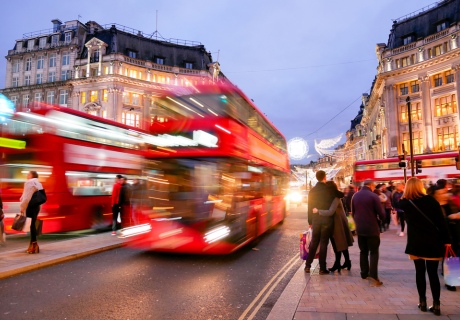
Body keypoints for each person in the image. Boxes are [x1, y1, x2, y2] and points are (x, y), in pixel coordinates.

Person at [399, 178, 451, 316]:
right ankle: (436, 304)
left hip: (416, 243)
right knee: (433, 274)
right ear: (421, 187)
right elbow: (441, 222)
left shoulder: (405, 203)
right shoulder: (431, 201)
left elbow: (397, 202)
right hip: (433, 242)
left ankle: (422, 302)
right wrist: (447, 240)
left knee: (419, 273)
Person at [351, 179, 385, 286]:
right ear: (371, 186)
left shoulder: (355, 196)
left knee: (363, 251)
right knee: (374, 252)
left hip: (360, 228)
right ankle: (373, 276)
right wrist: (381, 219)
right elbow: (382, 214)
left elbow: (353, 212)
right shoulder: (373, 196)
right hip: (372, 228)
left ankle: (364, 273)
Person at [314, 181, 354, 273]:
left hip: (338, 224)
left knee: (338, 244)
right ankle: (346, 262)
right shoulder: (334, 196)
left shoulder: (336, 198)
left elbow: (331, 211)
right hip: (338, 223)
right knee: (341, 244)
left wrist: (318, 211)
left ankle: (338, 263)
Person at [305, 170, 335, 274]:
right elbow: (337, 198)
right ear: (324, 177)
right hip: (326, 219)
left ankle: (307, 266)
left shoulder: (312, 190)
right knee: (323, 243)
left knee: (314, 242)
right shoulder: (329, 189)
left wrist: (310, 221)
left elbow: (309, 207)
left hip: (316, 219)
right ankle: (322, 268)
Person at [19, 171, 44, 254]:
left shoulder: (29, 183)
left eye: (28, 174)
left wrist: (22, 207)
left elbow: (27, 197)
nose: (27, 175)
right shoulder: (38, 183)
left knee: (31, 225)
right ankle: (33, 244)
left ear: (32, 175)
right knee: (32, 224)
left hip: (30, 206)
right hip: (37, 207)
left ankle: (33, 245)